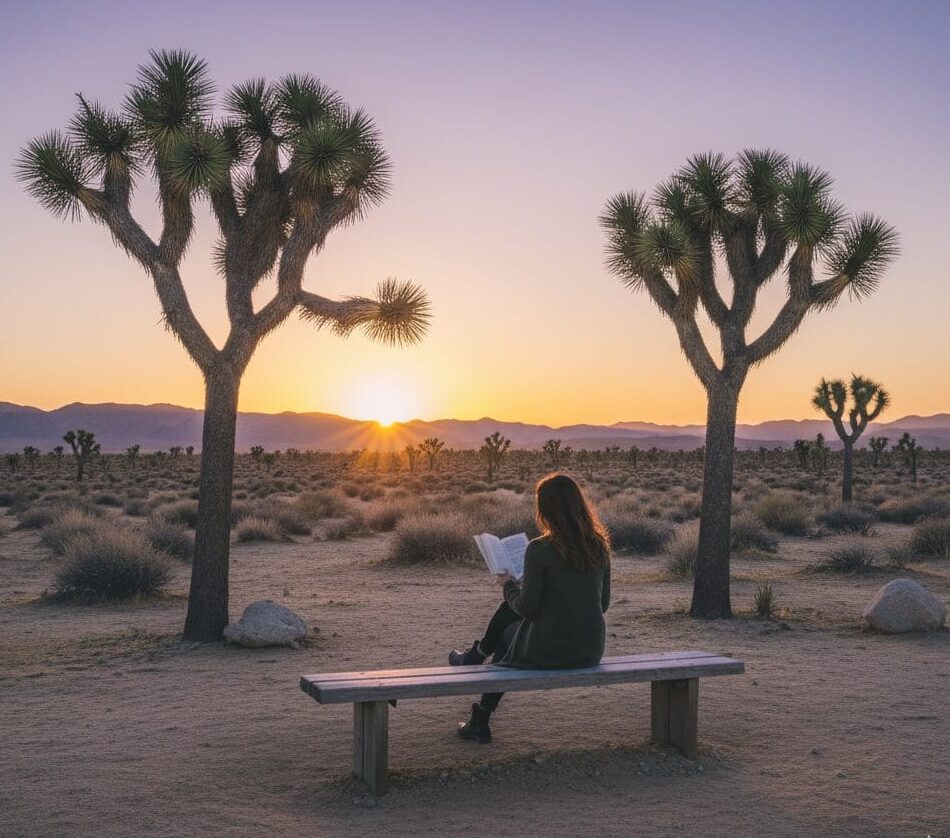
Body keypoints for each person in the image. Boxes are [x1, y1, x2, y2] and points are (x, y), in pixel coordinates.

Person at [449, 472, 611, 743]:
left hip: (553, 650)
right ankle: (479, 697)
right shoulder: (599, 547)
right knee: (510, 623)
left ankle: (478, 666)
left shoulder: (540, 549)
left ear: (545, 509)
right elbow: (601, 604)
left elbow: (528, 608)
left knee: (506, 633)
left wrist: (509, 584)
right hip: (589, 649)